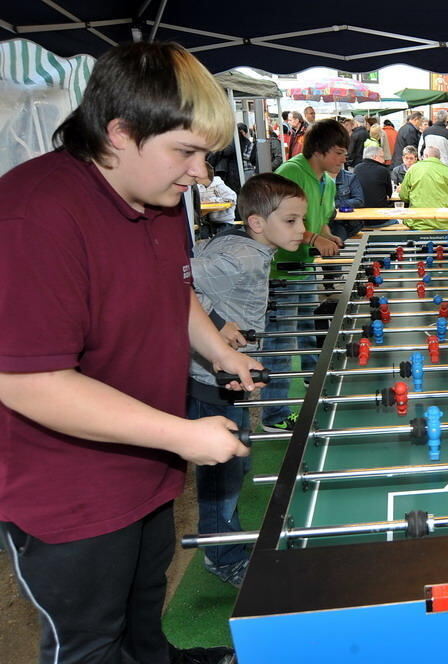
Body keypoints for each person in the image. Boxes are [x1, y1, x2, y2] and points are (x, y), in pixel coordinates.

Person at [0, 41, 264, 664]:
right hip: (68, 489)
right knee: (91, 641)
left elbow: (171, 292)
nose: (201, 173)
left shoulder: (157, 196)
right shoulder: (32, 217)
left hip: (143, 463)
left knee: (145, 602)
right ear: (120, 133)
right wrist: (181, 434)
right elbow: (28, 382)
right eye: (187, 152)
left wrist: (220, 352)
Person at [188, 174, 307, 587]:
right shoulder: (243, 256)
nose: (302, 229)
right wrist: (217, 323)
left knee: (234, 458)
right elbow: (171, 280)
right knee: (222, 471)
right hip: (210, 378)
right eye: (291, 221)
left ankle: (227, 540)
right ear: (257, 223)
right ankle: (223, 557)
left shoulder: (245, 246)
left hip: (221, 372)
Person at [261, 119, 346, 433]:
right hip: (279, 269)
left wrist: (329, 236)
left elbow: (321, 221)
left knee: (310, 332)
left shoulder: (329, 181)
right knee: (281, 343)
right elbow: (274, 222)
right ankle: (274, 416)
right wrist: (313, 239)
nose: (342, 159)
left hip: (305, 268)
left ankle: (316, 386)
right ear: (320, 150)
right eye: (337, 152)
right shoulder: (290, 173)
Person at [398, 145, 448, 230]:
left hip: (417, 221)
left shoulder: (413, 169)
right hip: (445, 222)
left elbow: (404, 196)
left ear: (424, 156)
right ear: (439, 157)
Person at [195, 160, 238, 225]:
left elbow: (231, 198)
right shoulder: (198, 187)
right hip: (208, 222)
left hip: (224, 221)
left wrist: (212, 200)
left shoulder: (218, 185)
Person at [354, 144, 393, 209]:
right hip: (380, 211)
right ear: (374, 157)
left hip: (360, 209)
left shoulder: (356, 169)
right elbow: (389, 193)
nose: (384, 160)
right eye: (382, 157)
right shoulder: (383, 170)